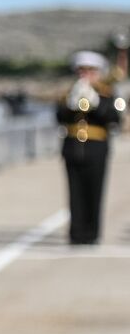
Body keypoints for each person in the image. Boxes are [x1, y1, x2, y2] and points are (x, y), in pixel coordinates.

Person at [58, 50, 125, 244]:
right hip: (72, 148)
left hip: (96, 148)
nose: (85, 74)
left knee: (94, 191)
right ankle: (76, 233)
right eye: (82, 70)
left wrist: (96, 104)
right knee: (75, 193)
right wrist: (72, 103)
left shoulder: (106, 93)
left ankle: (92, 233)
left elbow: (114, 118)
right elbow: (59, 117)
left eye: (90, 70)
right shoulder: (69, 93)